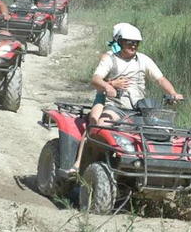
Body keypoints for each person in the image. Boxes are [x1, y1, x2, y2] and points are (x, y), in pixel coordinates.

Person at [70, 24, 183, 174]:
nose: (133, 45)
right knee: (97, 127)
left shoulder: (143, 60)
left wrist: (173, 93)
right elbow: (96, 79)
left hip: (140, 110)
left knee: (163, 132)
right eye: (129, 42)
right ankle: (78, 164)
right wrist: (108, 86)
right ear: (120, 42)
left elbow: (160, 79)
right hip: (116, 107)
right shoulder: (110, 59)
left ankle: (161, 166)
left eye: (136, 42)